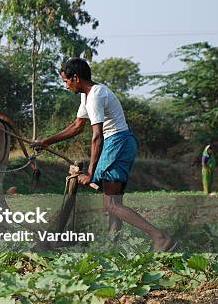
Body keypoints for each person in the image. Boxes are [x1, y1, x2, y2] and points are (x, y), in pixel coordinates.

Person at [32, 57, 176, 251]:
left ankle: (160, 238)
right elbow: (76, 127)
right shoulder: (88, 95)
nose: (65, 86)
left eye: (66, 81)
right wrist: (46, 141)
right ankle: (112, 246)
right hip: (120, 142)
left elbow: (97, 136)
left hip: (117, 143)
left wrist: (91, 173)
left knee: (111, 204)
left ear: (76, 78)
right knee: (114, 203)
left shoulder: (95, 96)